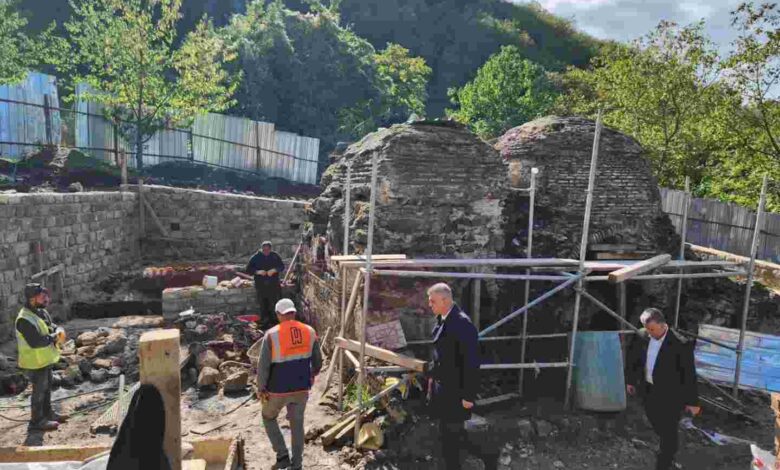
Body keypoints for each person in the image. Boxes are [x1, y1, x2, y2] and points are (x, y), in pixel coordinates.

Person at [625, 308, 700, 470]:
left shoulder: (680, 344)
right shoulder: (642, 335)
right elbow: (634, 359)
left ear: (662, 324)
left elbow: (689, 374)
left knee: (669, 429)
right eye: (647, 329)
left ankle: (665, 461)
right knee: (654, 420)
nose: (649, 332)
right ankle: (667, 451)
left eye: (652, 329)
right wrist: (630, 381)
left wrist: (692, 402)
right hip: (648, 389)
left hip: (671, 394)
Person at [257, 298, 322, 470]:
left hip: (276, 390)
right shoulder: (309, 331)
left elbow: (263, 367)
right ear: (294, 312)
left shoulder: (271, 335)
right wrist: (312, 375)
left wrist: (261, 388)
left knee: (268, 417)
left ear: (278, 315)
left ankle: (282, 456)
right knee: (297, 425)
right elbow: (318, 362)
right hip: (301, 388)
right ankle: (297, 465)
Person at [426, 282, 480, 470]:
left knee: (453, 437)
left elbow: (471, 362)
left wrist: (468, 396)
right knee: (447, 435)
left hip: (456, 392)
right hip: (444, 389)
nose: (429, 305)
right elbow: (441, 355)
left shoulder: (462, 323)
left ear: (445, 300)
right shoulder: (443, 319)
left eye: (432, 301)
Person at [15, 283, 68, 431]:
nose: (47, 299)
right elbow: (36, 342)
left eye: (46, 295)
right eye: (42, 296)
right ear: (32, 299)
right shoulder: (24, 319)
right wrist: (54, 336)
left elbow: (51, 326)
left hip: (45, 360)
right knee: (39, 392)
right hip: (34, 363)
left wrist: (58, 329)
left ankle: (48, 414)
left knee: (47, 388)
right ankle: (37, 421)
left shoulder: (41, 312)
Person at [243, 241, 285, 328]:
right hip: (261, 285)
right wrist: (257, 272)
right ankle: (264, 322)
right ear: (261, 249)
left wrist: (274, 270)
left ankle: (275, 322)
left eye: (268, 250)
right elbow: (248, 270)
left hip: (273, 284)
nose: (266, 252)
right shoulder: (255, 257)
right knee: (263, 304)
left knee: (274, 303)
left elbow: (282, 266)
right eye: (264, 250)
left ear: (270, 249)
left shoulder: (274, 256)